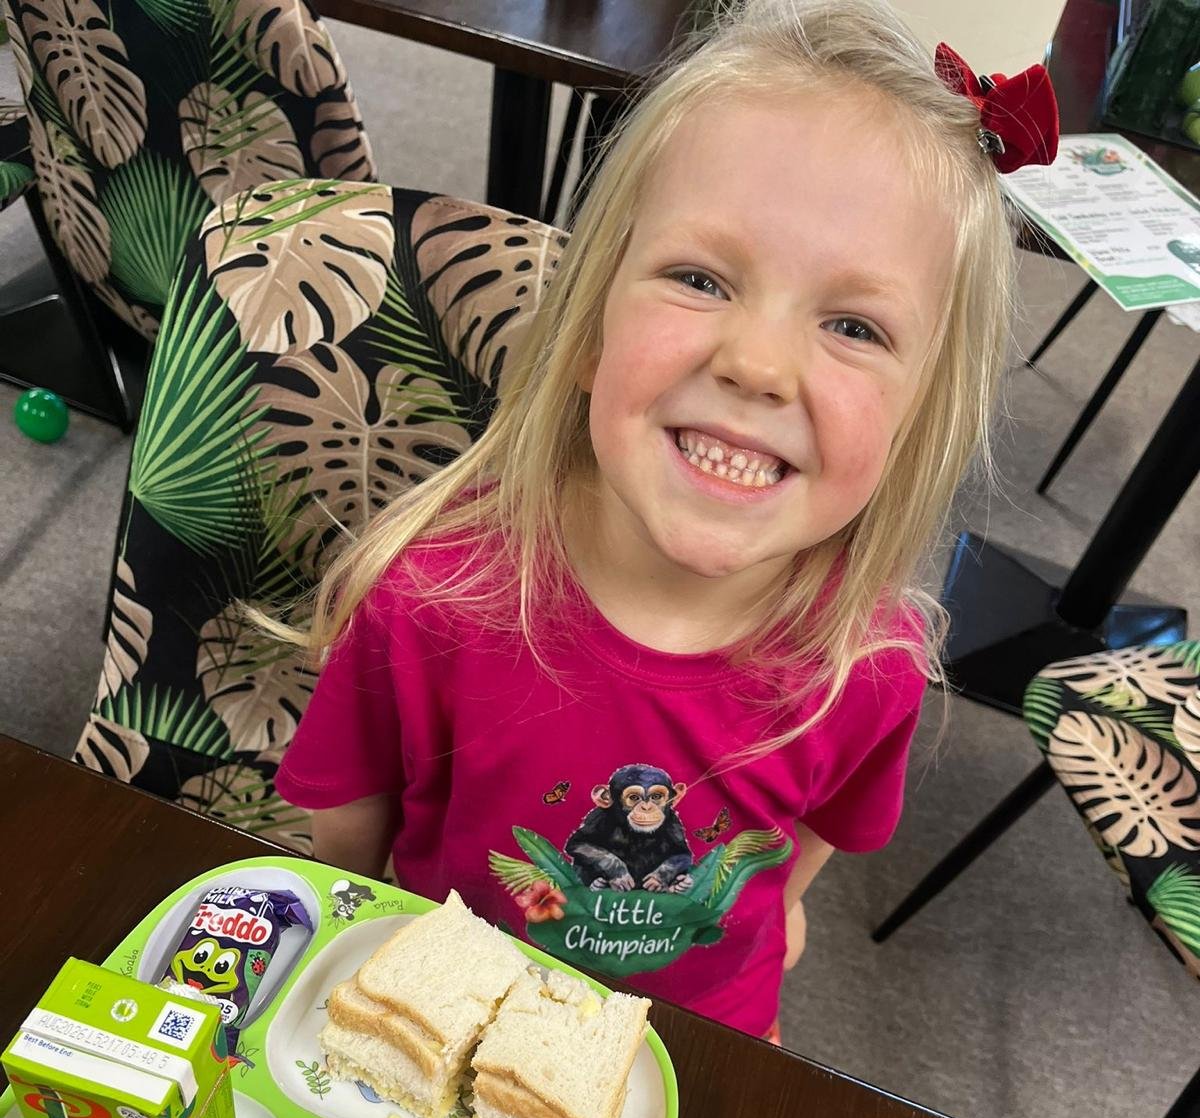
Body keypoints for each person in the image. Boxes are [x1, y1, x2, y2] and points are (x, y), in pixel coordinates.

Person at [273, 0, 1058, 1043]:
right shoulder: (431, 594)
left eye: (855, 325)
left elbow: (803, 851)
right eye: (700, 277)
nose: (758, 364)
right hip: (441, 1032)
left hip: (701, 1046)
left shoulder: (871, 660)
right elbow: (346, 864)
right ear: (590, 325)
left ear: (921, 418)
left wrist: (770, 917)